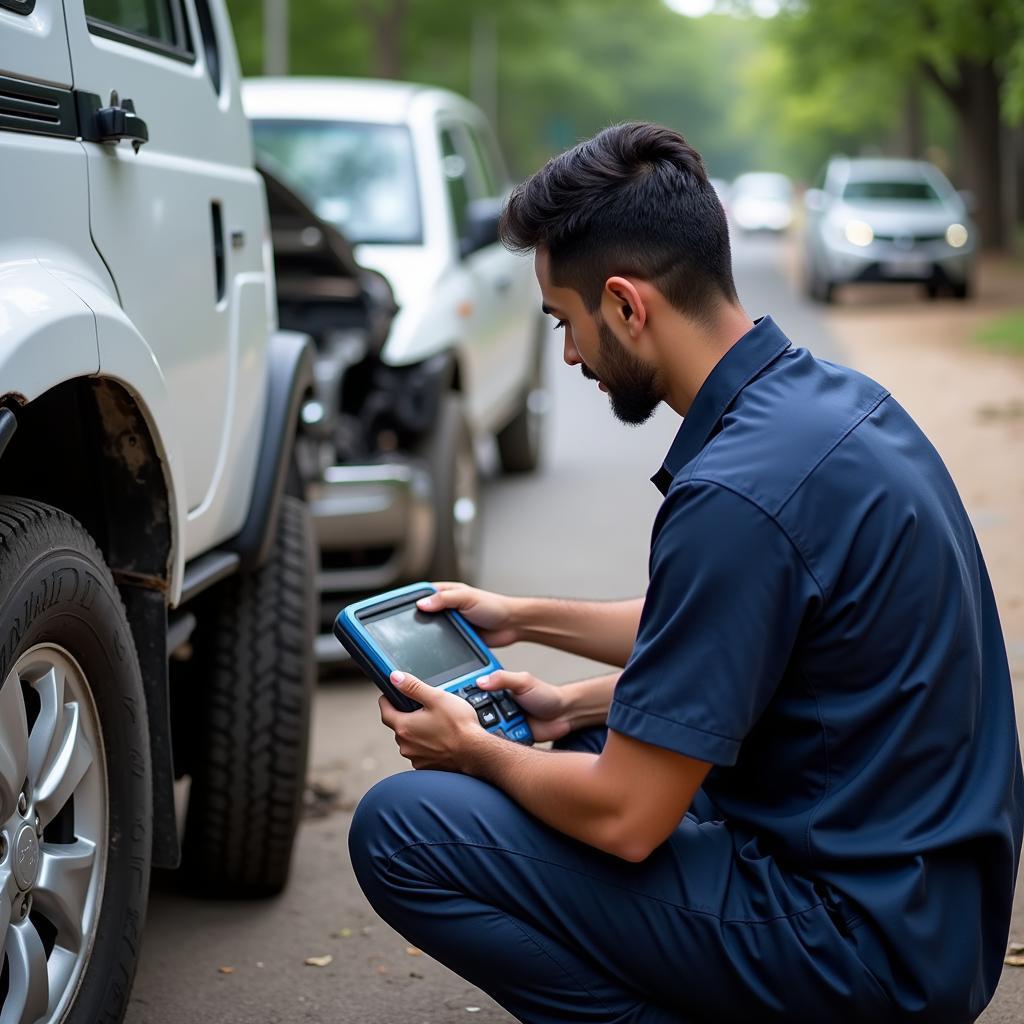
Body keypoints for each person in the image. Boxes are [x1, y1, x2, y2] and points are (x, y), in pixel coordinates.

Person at [348, 122, 1024, 1023]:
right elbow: (732, 622)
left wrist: (472, 748)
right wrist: (531, 641)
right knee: (561, 745)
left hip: (855, 947)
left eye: (567, 322)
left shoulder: (737, 497)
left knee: (405, 827)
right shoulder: (833, 404)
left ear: (627, 305)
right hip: (932, 913)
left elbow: (628, 819)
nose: (570, 357)